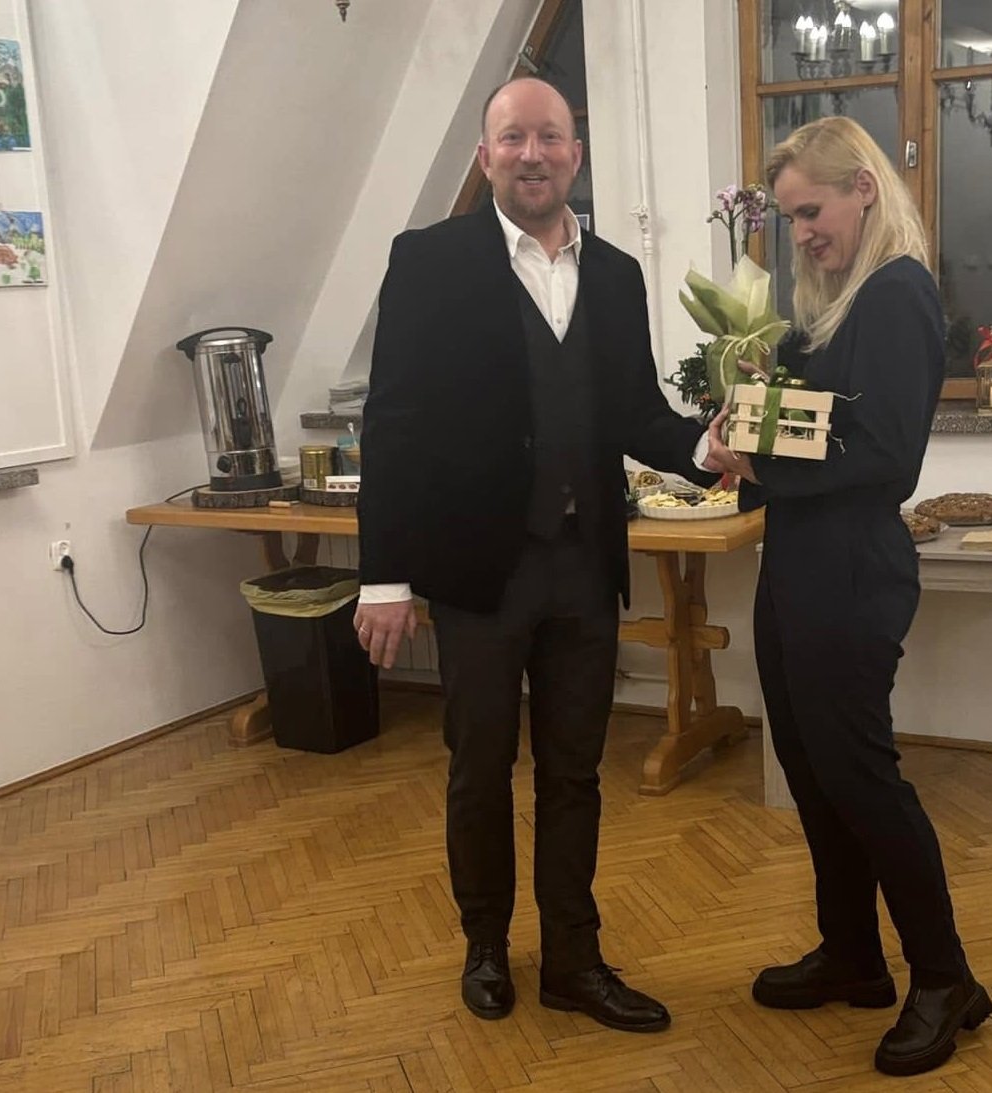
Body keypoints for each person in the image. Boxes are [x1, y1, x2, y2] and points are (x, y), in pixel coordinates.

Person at [354, 76, 730, 1033]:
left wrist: (703, 447)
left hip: (582, 566)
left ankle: (573, 957)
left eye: (550, 137)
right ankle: (485, 943)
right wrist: (383, 576)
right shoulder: (428, 260)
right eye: (513, 137)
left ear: (575, 153)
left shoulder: (615, 274)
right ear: (485, 156)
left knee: (574, 772)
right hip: (479, 569)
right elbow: (392, 425)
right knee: (478, 768)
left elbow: (635, 411)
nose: (532, 154)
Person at [705, 116, 989, 1078]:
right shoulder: (838, 305)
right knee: (812, 766)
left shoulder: (898, 292)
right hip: (798, 563)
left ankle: (945, 977)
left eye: (810, 211)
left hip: (852, 570)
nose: (801, 233)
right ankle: (853, 954)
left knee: (861, 777)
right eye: (788, 218)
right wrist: (744, 412)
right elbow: (817, 426)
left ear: (863, 188)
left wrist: (758, 463)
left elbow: (885, 457)